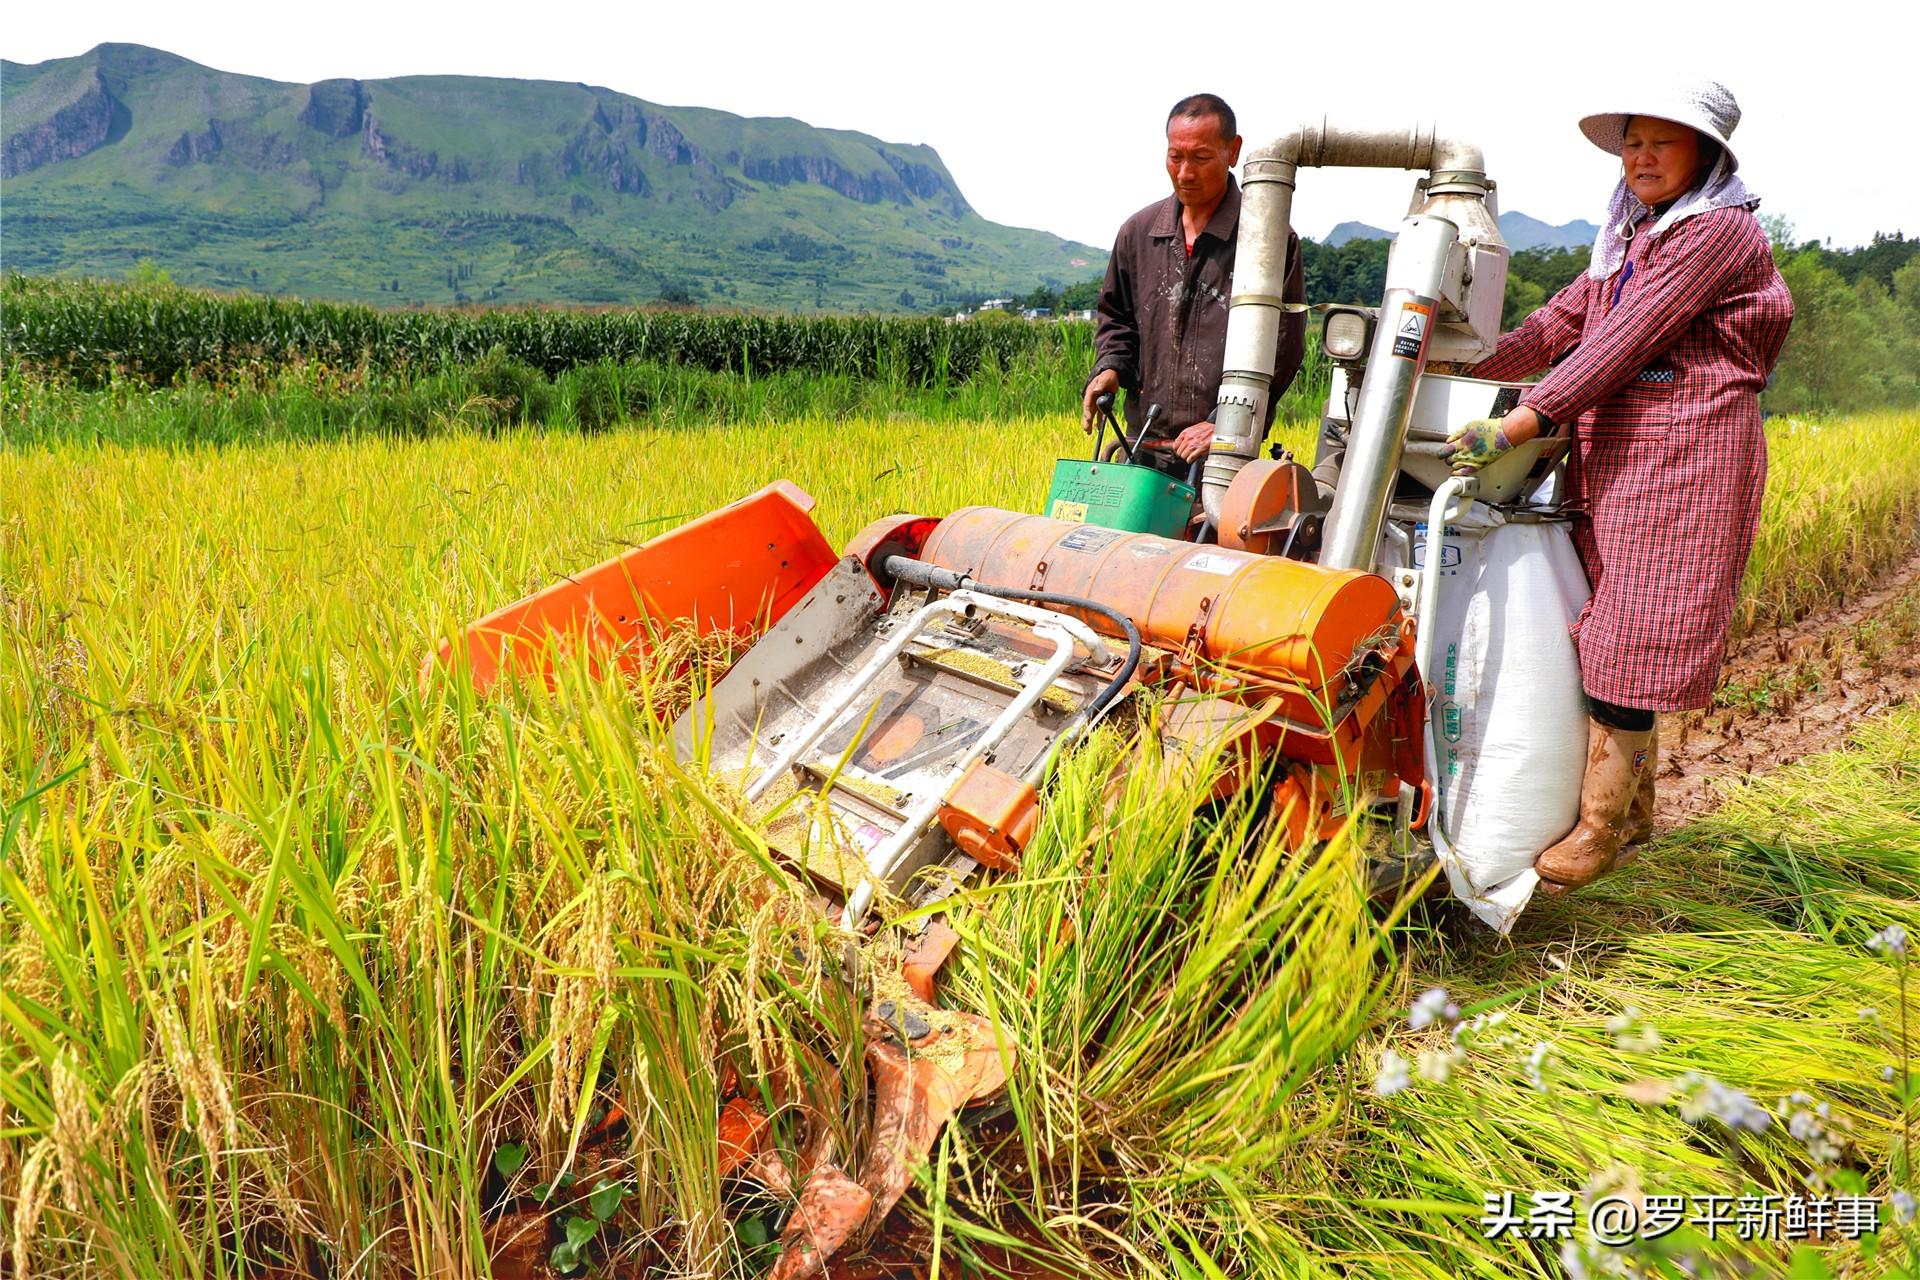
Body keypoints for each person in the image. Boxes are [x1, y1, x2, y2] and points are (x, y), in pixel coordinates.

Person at [1443, 81, 1794, 895]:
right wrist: (1453, 367)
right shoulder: (1628, 236)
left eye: (1660, 142)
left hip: (1686, 455)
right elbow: (1563, 324)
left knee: (1633, 638)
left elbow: (1623, 344)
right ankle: (1634, 812)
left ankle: (1599, 826)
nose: (1640, 156)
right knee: (1603, 625)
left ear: (1705, 154)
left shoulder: (1716, 234)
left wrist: (1521, 421)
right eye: (1631, 141)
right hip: (1619, 451)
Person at [1084, 94, 1306, 477]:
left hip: (1223, 457)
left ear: (1233, 151)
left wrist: (1226, 422)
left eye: (1201, 159)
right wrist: (1110, 367)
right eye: (1175, 157)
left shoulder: (1267, 241)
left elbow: (1282, 349)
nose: (1185, 172)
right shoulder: (1138, 233)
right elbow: (1116, 319)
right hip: (1143, 450)